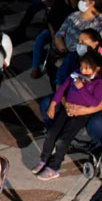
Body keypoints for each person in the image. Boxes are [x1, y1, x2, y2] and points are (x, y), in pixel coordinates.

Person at [34, 52, 102, 180]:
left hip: (80, 115)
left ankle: (54, 167)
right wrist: (53, 104)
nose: (83, 70)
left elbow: (94, 102)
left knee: (63, 139)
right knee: (51, 133)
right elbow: (62, 89)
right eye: (82, 67)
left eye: (87, 68)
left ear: (97, 68)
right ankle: (44, 160)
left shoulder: (98, 83)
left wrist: (81, 88)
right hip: (67, 109)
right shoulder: (76, 74)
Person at [30, 0, 85, 78]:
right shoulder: (60, 1)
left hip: (71, 35)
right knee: (40, 39)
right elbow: (49, 19)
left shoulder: (80, 6)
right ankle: (35, 67)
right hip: (55, 30)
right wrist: (53, 32)